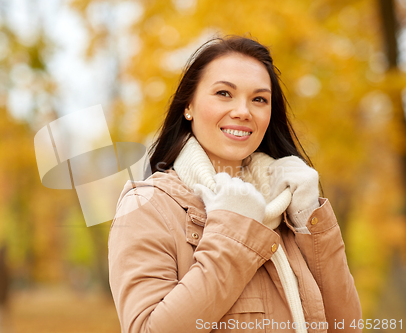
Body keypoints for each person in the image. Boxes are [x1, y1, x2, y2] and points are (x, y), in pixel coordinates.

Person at [108, 35, 362, 333]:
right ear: (188, 105)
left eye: (259, 99)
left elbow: (347, 327)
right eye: (224, 93)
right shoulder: (148, 206)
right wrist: (232, 229)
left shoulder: (285, 204)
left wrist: (309, 220)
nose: (243, 111)